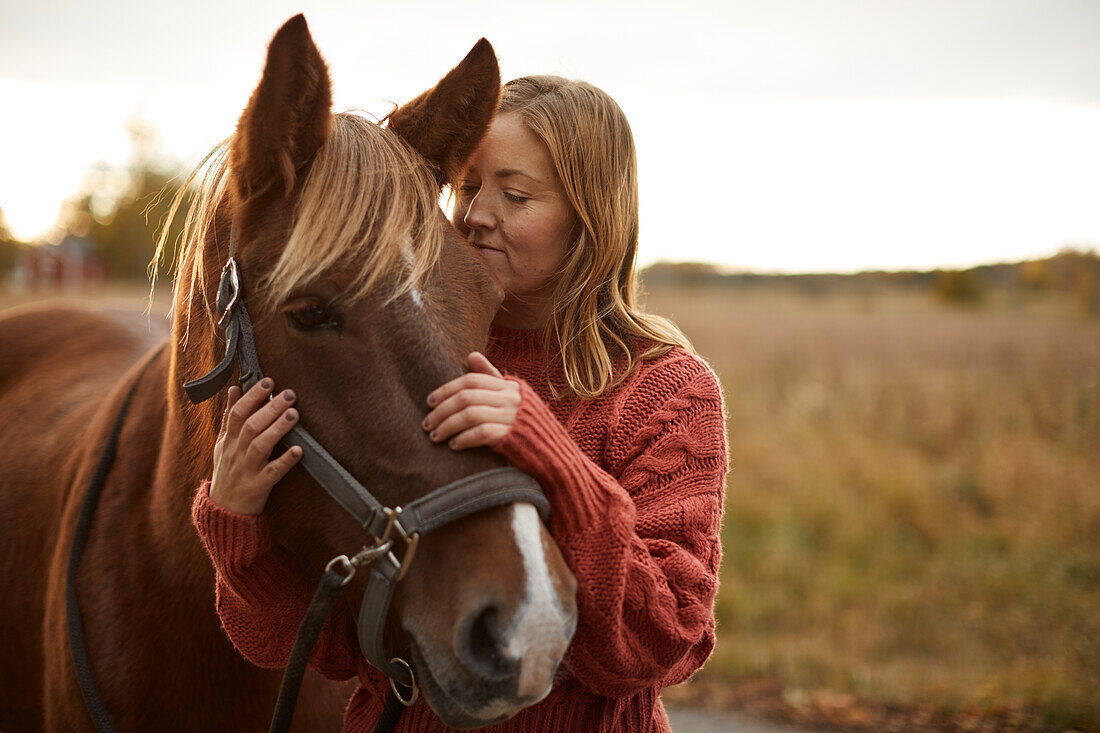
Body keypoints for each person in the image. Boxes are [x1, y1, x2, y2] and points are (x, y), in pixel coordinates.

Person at [192, 75, 729, 731]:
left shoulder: (665, 389)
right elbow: (317, 645)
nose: (476, 212)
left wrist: (551, 453)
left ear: (591, 214)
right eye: (467, 186)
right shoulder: (411, 356)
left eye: (515, 193)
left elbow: (660, 639)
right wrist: (239, 525)